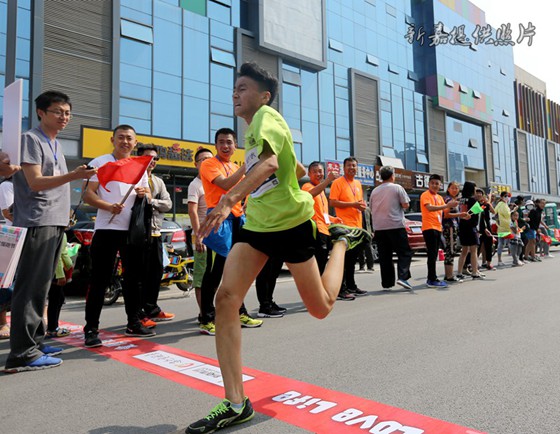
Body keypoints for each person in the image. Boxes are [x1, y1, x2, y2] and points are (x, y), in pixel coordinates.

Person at [185, 61, 370, 434]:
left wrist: (228, 200)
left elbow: (270, 162)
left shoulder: (266, 117)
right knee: (226, 299)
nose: (235, 94)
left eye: (243, 88)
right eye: (234, 88)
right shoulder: (255, 132)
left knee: (320, 307)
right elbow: (288, 167)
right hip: (257, 225)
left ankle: (340, 242)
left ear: (264, 96)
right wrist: (232, 183)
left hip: (290, 224)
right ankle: (236, 403)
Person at [4, 91, 96, 373]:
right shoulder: (30, 139)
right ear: (41, 112)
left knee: (42, 286)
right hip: (37, 221)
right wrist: (75, 175)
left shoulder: (54, 142)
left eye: (67, 112)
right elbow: (35, 182)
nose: (64, 117)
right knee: (30, 287)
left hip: (54, 222)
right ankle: (22, 353)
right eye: (58, 111)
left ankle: (35, 342)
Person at [82, 124, 153, 348]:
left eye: (129, 138)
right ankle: (91, 329)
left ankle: (133, 322)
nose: (125, 142)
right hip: (106, 229)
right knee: (100, 280)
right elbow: (87, 194)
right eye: (121, 137)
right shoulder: (100, 162)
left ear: (135, 142)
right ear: (112, 140)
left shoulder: (139, 166)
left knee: (133, 279)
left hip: (132, 231)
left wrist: (143, 193)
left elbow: (149, 195)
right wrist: (108, 206)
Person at [198, 128, 262, 336]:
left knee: (238, 270)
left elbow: (247, 190)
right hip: (218, 219)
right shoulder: (209, 164)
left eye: (229, 142)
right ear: (216, 145)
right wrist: (247, 165)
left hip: (238, 219)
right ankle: (206, 318)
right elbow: (225, 184)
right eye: (221, 142)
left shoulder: (234, 166)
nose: (225, 146)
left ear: (235, 146)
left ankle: (239, 312)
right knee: (215, 271)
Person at [136, 144, 175, 322]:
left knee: (156, 272)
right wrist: (152, 202)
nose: (152, 161)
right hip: (138, 233)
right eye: (148, 158)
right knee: (140, 275)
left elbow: (168, 204)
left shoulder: (158, 181)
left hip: (156, 232)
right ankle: (139, 314)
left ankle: (152, 308)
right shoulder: (134, 179)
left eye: (155, 159)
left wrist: (152, 201)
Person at [329, 157, 368, 299]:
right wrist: (353, 204)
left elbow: (359, 202)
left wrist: (361, 206)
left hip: (357, 227)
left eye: (354, 166)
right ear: (344, 168)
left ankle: (351, 285)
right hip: (344, 228)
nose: (352, 168)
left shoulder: (357, 183)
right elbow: (333, 202)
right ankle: (341, 289)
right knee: (343, 261)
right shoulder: (338, 182)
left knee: (352, 260)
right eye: (349, 165)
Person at [369, 165, 413, 290]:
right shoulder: (397, 188)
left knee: (385, 256)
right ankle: (402, 277)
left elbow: (371, 208)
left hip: (379, 227)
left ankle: (387, 283)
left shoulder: (374, 191)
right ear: (392, 176)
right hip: (395, 225)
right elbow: (405, 204)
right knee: (404, 252)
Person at [301, 161, 341, 273]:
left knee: (322, 262)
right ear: (309, 174)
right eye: (315, 172)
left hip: (325, 231)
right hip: (315, 230)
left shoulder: (322, 191)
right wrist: (328, 180)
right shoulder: (307, 186)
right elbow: (311, 194)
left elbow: (322, 213)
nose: (318, 174)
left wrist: (333, 219)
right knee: (316, 264)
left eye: (320, 171)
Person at [187, 147, 214, 318]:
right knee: (201, 277)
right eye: (202, 160)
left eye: (209, 159)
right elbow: (192, 211)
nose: (206, 162)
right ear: (196, 164)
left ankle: (212, 310)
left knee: (215, 277)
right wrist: (199, 237)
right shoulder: (195, 184)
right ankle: (204, 313)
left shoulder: (216, 181)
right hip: (203, 238)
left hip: (218, 237)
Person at [420, 174, 458, 288]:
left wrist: (461, 213)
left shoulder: (440, 197)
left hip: (437, 227)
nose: (435, 185)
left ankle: (433, 278)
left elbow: (446, 213)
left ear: (440, 185)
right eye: (432, 183)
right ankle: (431, 279)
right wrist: (447, 205)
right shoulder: (425, 195)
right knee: (432, 254)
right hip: (429, 227)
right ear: (428, 184)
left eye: (437, 183)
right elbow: (429, 208)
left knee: (434, 254)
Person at [45, 233, 74, 338]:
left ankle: (53, 327)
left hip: (54, 271)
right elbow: (58, 255)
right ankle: (52, 328)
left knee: (58, 298)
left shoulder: (58, 233)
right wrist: (60, 275)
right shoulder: (60, 233)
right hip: (56, 272)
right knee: (55, 299)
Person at [456, 181, 484, 280]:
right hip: (471, 228)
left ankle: (459, 272)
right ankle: (475, 272)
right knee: (473, 250)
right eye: (475, 188)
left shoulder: (461, 200)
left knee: (464, 251)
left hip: (462, 227)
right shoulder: (473, 200)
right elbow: (476, 217)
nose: (476, 191)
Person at [442, 181, 466, 282]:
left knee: (451, 250)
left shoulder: (454, 200)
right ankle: (449, 276)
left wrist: (462, 215)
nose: (455, 190)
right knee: (450, 250)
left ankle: (448, 274)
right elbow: (446, 214)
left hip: (454, 227)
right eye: (452, 188)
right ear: (448, 189)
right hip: (449, 227)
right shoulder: (448, 200)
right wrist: (460, 214)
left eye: (456, 188)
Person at [476, 189, 495, 271]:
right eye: (477, 193)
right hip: (479, 228)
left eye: (480, 193)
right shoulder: (475, 204)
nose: (479, 194)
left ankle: (488, 263)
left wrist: (488, 202)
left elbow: (493, 212)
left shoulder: (486, 204)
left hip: (488, 226)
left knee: (488, 246)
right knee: (478, 247)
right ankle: (474, 264)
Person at [494, 191, 514, 266]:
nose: (507, 197)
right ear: (501, 197)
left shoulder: (500, 204)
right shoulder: (503, 205)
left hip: (501, 226)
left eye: (508, 196)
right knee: (508, 243)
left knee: (502, 243)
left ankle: (500, 260)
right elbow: (507, 215)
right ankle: (514, 259)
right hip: (505, 226)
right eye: (505, 196)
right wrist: (513, 211)